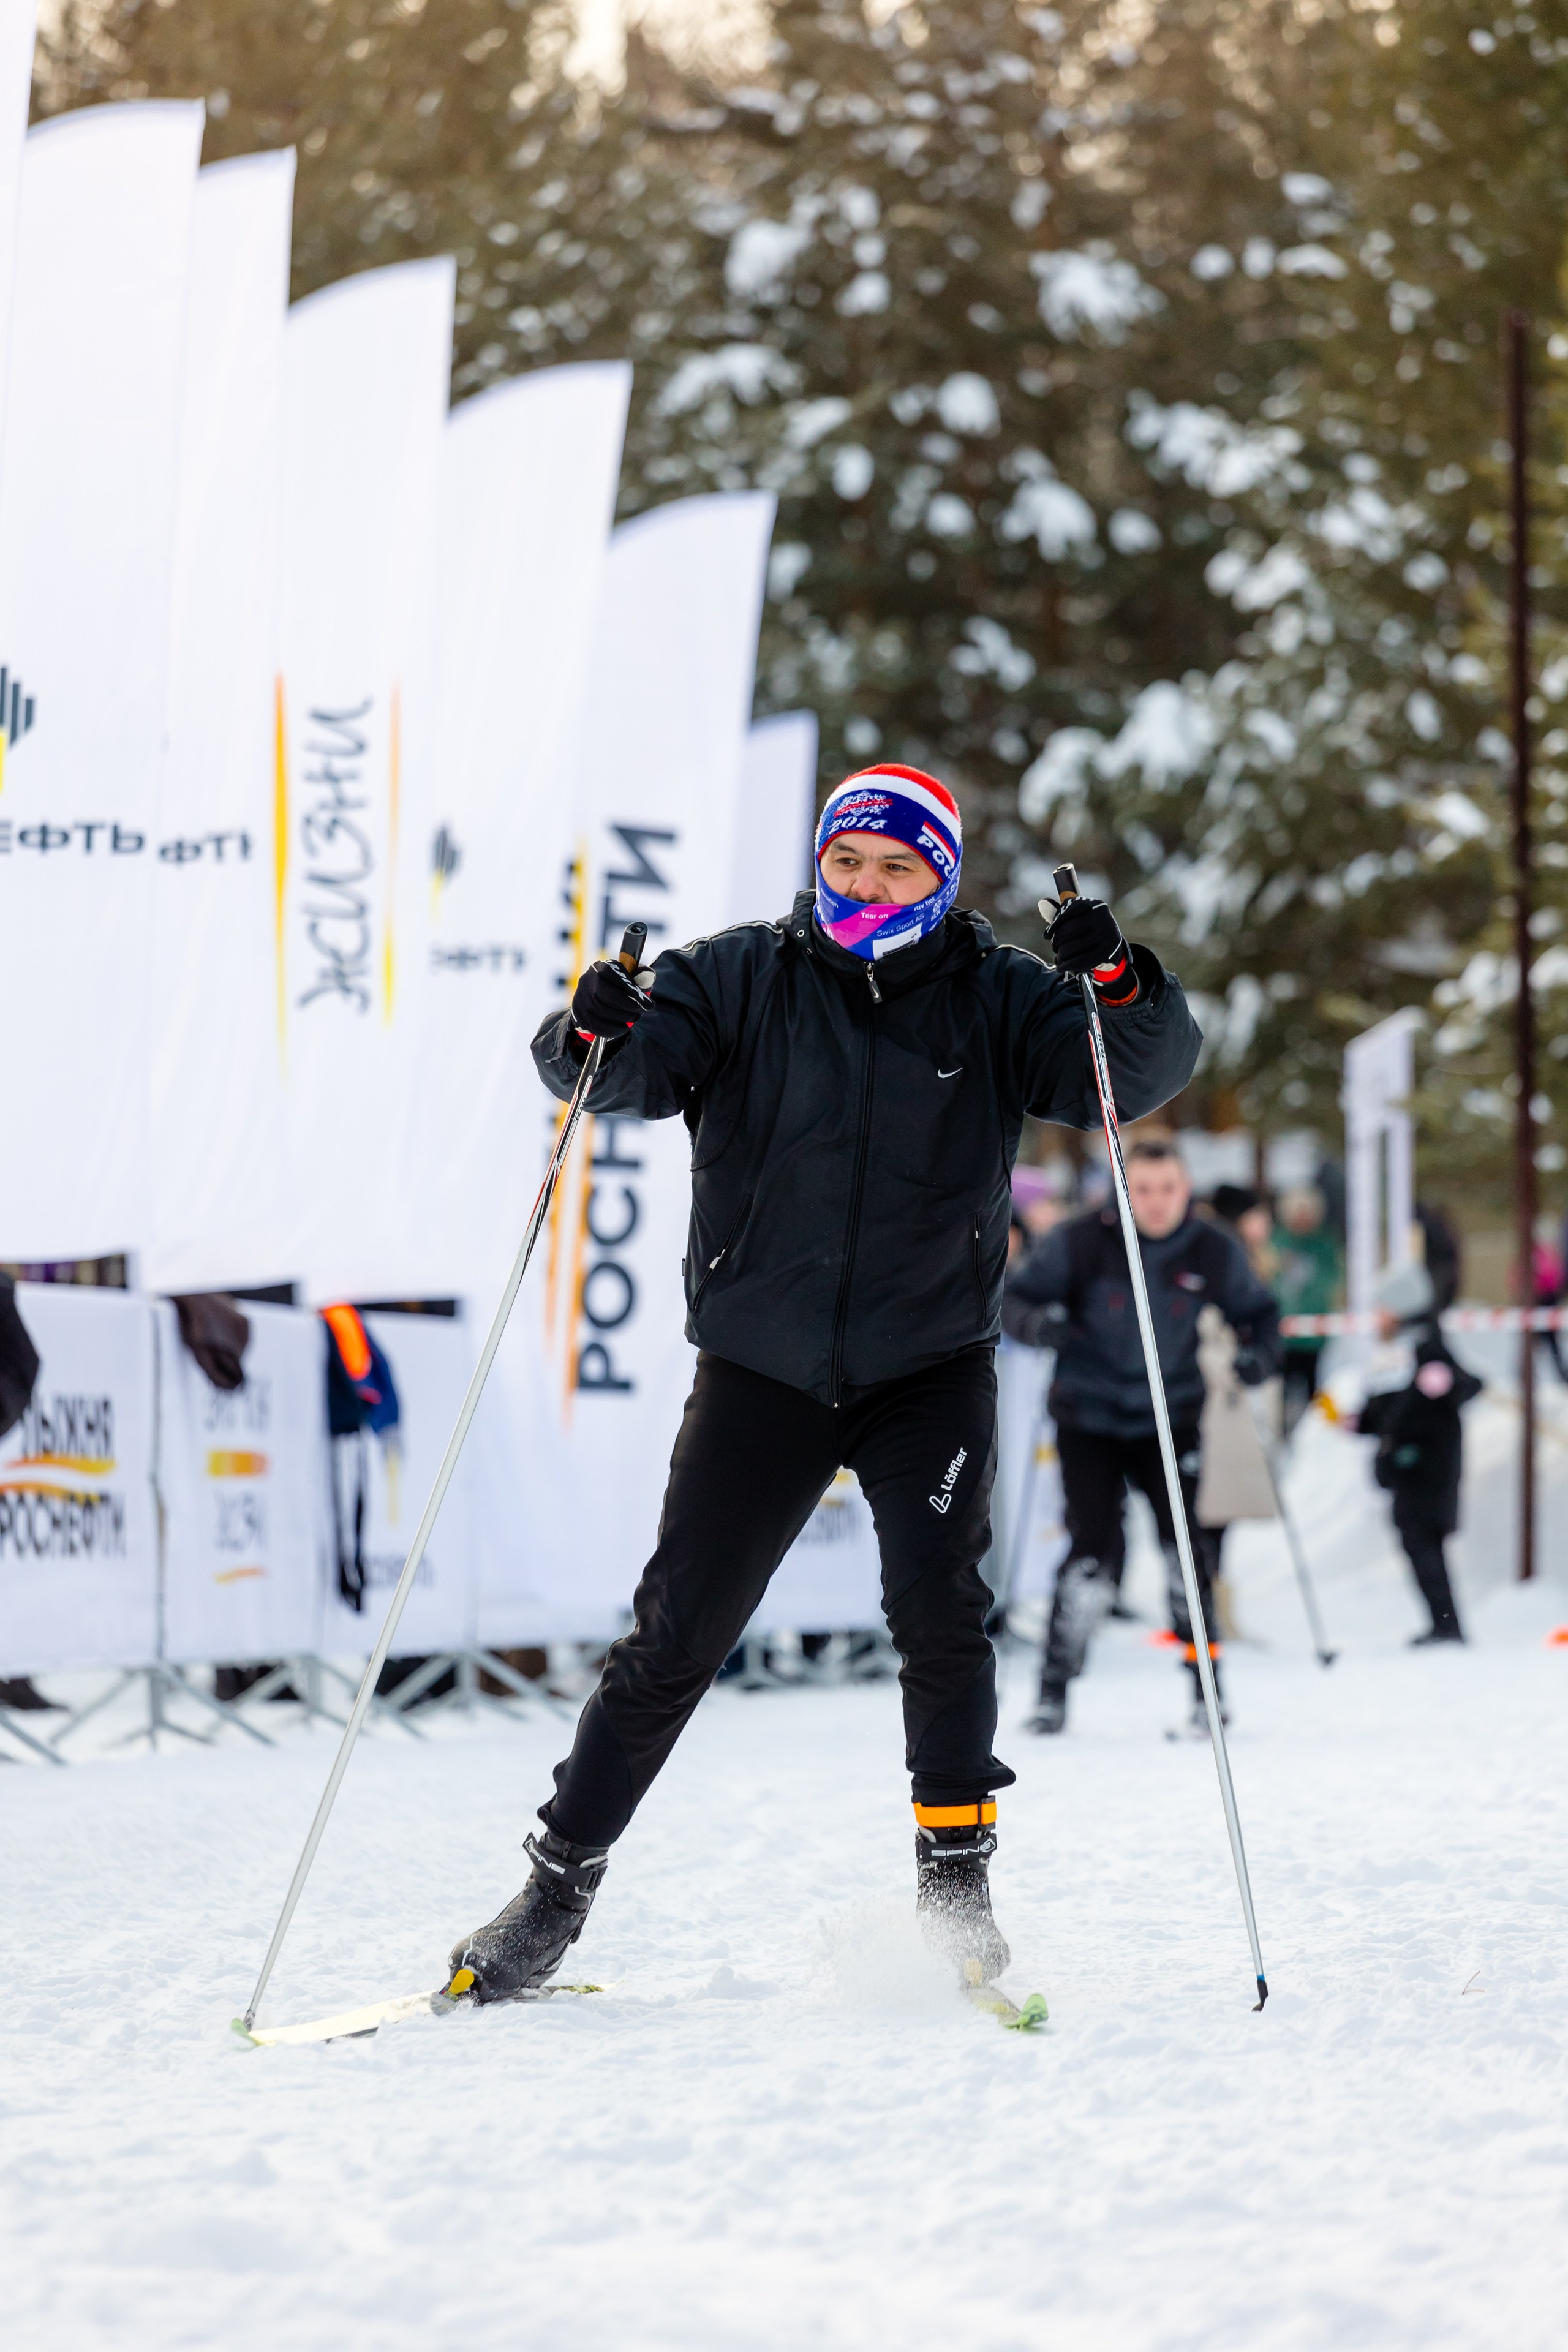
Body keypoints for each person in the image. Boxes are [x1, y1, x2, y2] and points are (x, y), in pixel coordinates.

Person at [447, 764, 1200, 2003]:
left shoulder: (999, 995)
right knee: (677, 1634)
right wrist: (589, 1027)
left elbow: (1130, 1075)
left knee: (941, 1620)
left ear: (940, 876)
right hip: (763, 1366)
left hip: (928, 1367)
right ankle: (551, 1890)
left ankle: (957, 1898)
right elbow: (605, 1073)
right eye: (847, 860)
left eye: (896, 866)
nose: (865, 885)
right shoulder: (737, 976)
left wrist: (1113, 976)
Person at [1002, 1137, 1280, 1736]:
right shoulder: (1081, 1241)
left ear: (1187, 1192)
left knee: (1186, 1554)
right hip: (1088, 1418)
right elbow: (1017, 1298)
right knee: (1088, 1557)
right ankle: (1053, 1693)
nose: (1154, 1204)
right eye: (1142, 1190)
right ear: (1122, 1193)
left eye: (1168, 1190)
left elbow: (1258, 1312)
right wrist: (1038, 1324)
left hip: (1170, 1418)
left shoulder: (1209, 1247)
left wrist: (1259, 1355)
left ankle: (1208, 1694)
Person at [1354, 1262, 1480, 1645]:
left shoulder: (1427, 1347)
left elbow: (1459, 1387)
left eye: (1384, 1306)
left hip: (1428, 1470)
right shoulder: (1403, 1348)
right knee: (1418, 1543)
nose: (1377, 1315)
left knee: (1424, 1543)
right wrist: (1364, 1421)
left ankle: (1447, 1626)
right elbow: (1393, 1405)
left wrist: (1444, 1384)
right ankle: (1443, 1624)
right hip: (1409, 1468)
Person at [1270, 1186, 1343, 1432]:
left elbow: (1330, 1278)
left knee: (1316, 1386)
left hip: (1314, 1335)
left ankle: (1316, 1433)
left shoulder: (1323, 1243)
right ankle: (1286, 1432)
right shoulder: (1278, 1241)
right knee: (1285, 1389)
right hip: (1285, 1334)